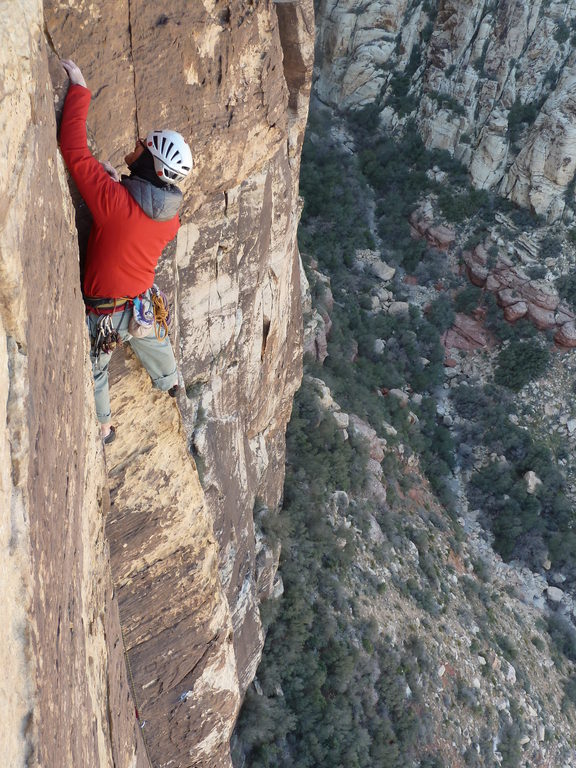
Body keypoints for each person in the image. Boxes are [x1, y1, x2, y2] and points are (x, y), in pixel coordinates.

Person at [59, 59, 192, 444]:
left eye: (143, 146)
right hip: (141, 304)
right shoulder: (170, 218)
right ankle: (169, 381)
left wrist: (79, 87)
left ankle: (104, 427)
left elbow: (73, 149)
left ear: (151, 164)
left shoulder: (112, 202)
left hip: (104, 314)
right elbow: (141, 214)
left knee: (96, 369)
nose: (136, 145)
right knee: (154, 340)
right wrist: (121, 183)